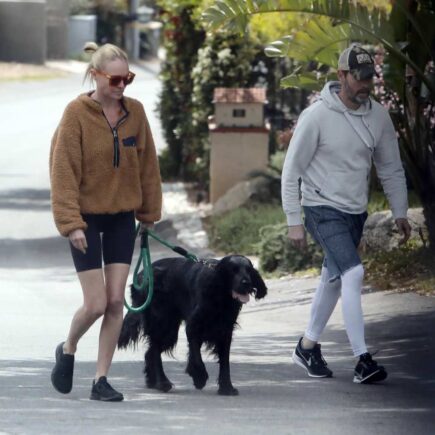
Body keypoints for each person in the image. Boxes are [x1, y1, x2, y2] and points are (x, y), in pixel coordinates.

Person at [281, 44, 412, 384]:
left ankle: (307, 347)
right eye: (358, 77)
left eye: (370, 77)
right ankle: (362, 360)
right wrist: (294, 220)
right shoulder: (316, 116)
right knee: (353, 273)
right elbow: (291, 170)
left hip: (355, 211)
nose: (365, 84)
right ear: (341, 76)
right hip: (321, 208)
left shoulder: (378, 116)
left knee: (334, 277)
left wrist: (400, 212)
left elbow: (391, 168)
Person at [49, 42, 162, 401]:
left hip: (121, 220)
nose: (121, 85)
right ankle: (68, 346)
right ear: (96, 76)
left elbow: (148, 166)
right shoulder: (76, 114)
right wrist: (71, 222)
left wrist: (148, 215)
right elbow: (62, 171)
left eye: (126, 78)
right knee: (96, 303)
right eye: (114, 79)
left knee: (116, 302)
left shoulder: (136, 113)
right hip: (85, 219)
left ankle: (101, 380)